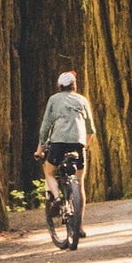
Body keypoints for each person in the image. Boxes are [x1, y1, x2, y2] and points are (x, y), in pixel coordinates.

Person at [34, 68, 96, 203]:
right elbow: (90, 128)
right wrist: (85, 146)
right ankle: (78, 223)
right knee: (79, 184)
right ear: (74, 85)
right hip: (78, 143)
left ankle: (56, 198)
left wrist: (40, 149)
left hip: (58, 143)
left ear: (59, 86)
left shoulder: (54, 100)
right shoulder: (82, 100)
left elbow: (45, 126)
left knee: (49, 173)